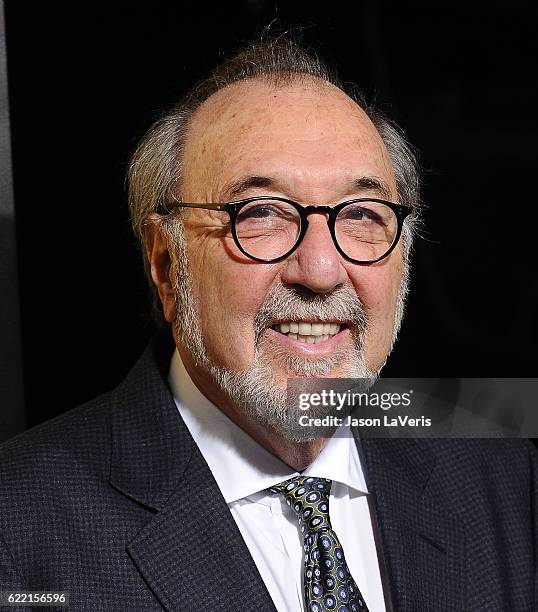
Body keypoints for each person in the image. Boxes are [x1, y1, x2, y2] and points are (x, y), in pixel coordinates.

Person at [0, 35, 536, 612]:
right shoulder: (19, 527)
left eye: (360, 215)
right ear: (164, 262)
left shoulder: (503, 475)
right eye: (262, 214)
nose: (323, 270)